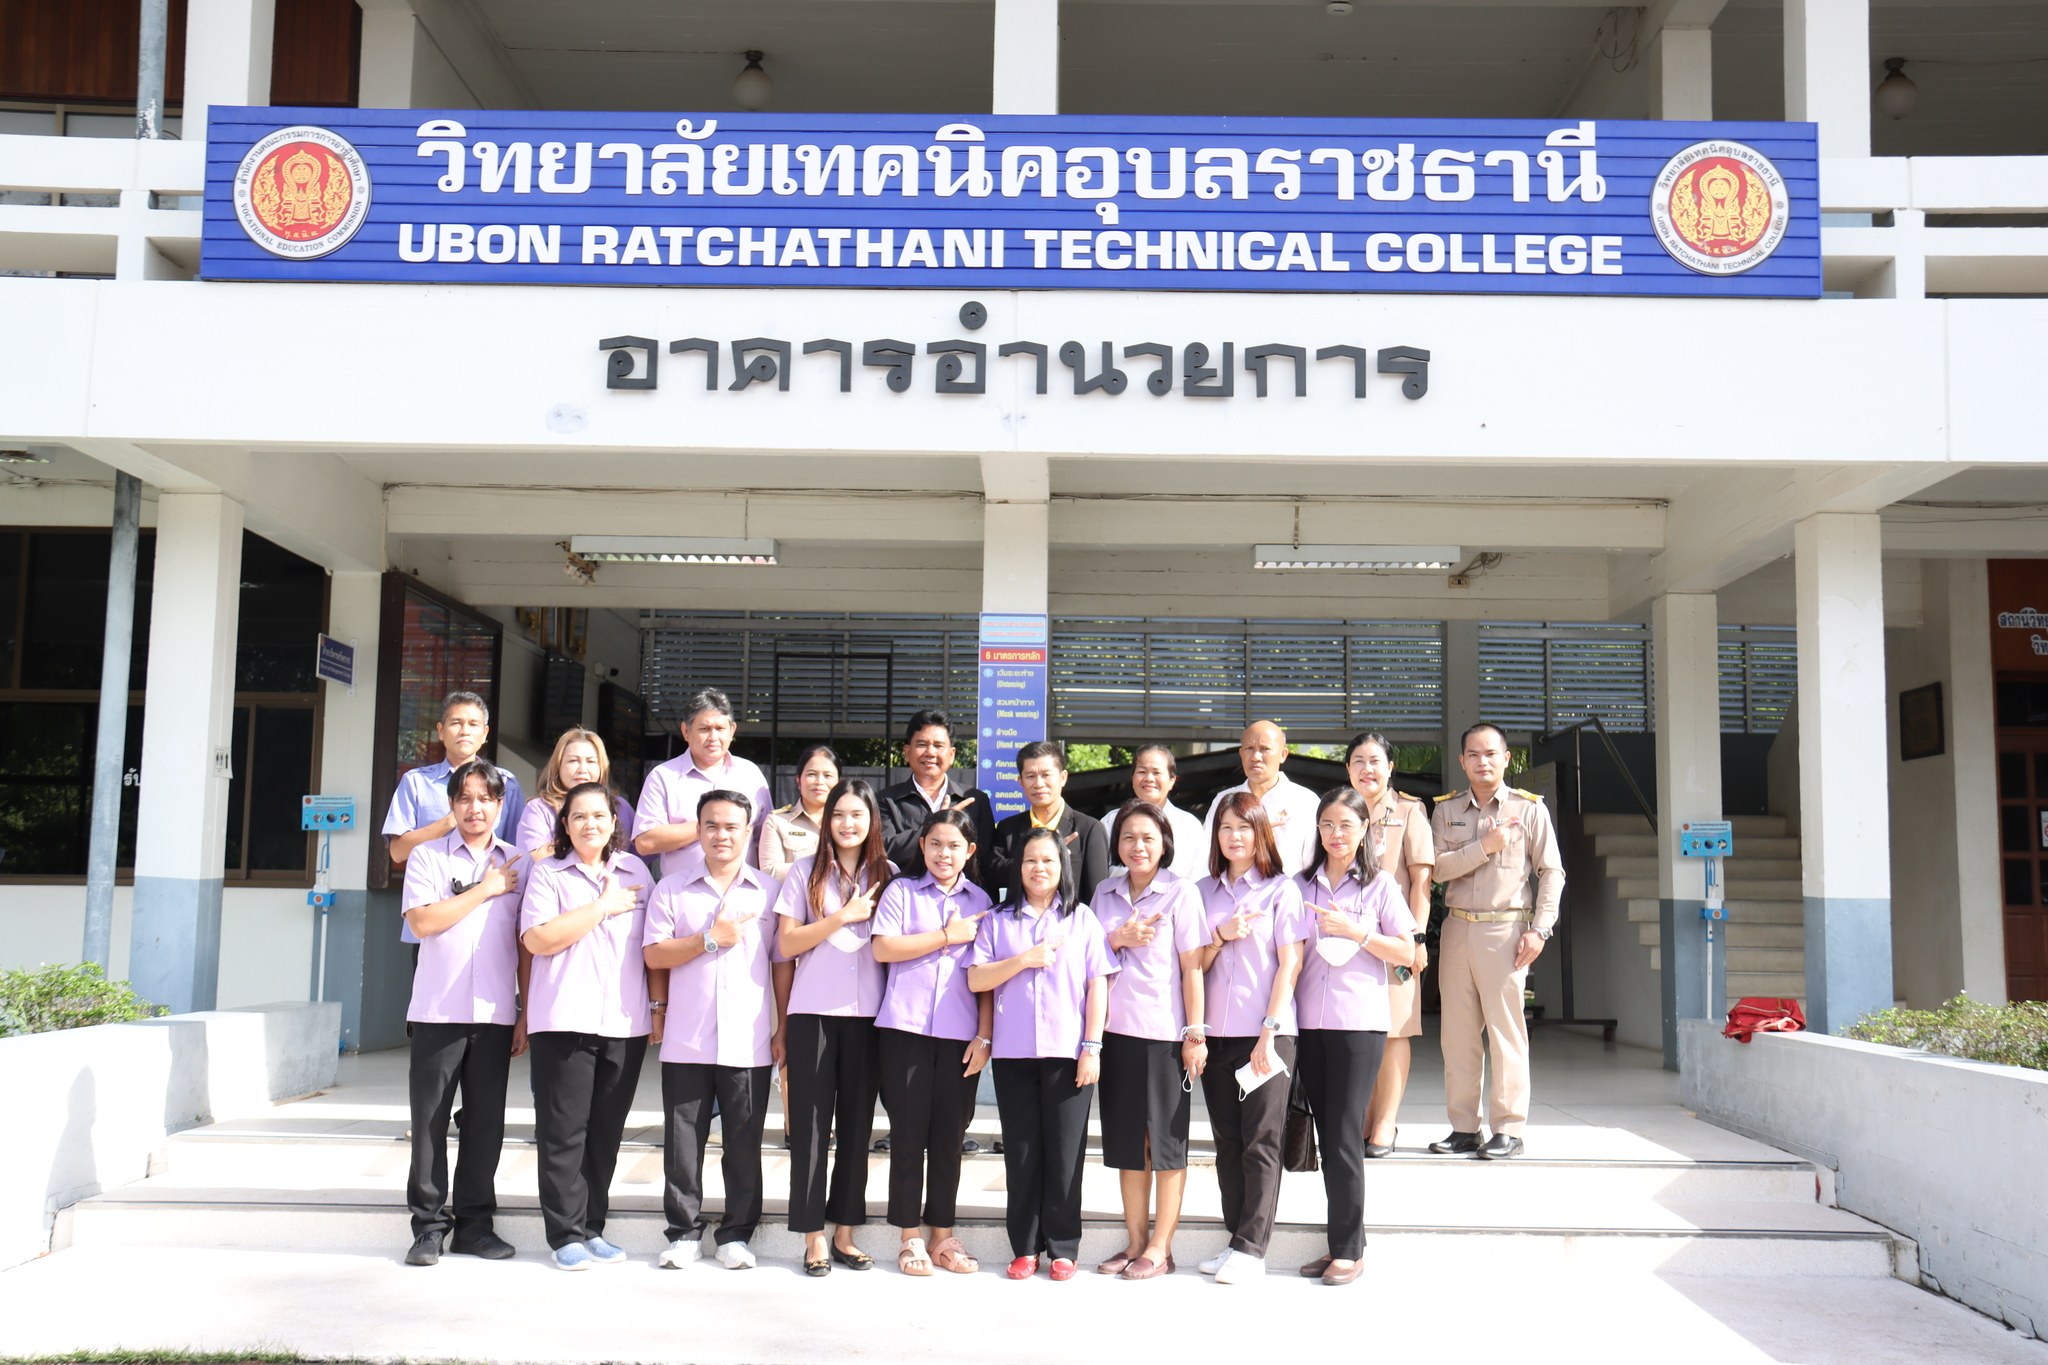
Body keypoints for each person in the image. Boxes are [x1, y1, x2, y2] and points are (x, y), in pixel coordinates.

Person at [968, 827, 1116, 1282]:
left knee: (1065, 1152)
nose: (1039, 868)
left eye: (1048, 860)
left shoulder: (1081, 918)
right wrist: (1023, 960)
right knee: (1022, 1152)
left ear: (1062, 866)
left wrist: (1092, 1047)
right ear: (1018, 867)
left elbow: (1098, 984)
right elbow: (977, 980)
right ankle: (1025, 1247)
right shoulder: (998, 920)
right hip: (1013, 1054)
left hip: (1068, 1053)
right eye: (1030, 860)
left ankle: (1063, 1246)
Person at [519, 782, 655, 1271]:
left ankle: (593, 1226)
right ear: (565, 824)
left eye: (599, 816)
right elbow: (538, 939)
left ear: (614, 822)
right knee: (563, 1131)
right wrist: (601, 907)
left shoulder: (636, 872)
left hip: (624, 1019)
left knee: (605, 1131)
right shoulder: (548, 873)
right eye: (579, 816)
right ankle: (565, 1234)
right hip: (564, 1019)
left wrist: (658, 1009)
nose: (589, 824)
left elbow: (651, 944)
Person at [642, 789, 780, 1271]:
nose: (721, 835)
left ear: (749, 832)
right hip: (689, 1038)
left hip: (748, 1038)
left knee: (743, 1143)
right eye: (712, 825)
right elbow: (654, 954)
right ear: (698, 830)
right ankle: (683, 1233)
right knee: (683, 1144)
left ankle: (736, 1234)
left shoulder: (768, 891)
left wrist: (782, 1028)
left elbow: (782, 963)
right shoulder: (671, 889)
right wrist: (708, 939)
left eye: (731, 826)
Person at [398, 759, 526, 1268]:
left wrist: (524, 1011)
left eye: (486, 799)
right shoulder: (427, 857)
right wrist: (484, 890)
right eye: (465, 798)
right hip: (438, 1011)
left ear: (500, 805)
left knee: (485, 1124)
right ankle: (428, 1228)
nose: (476, 808)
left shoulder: (518, 862)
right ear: (452, 805)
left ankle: (475, 1227)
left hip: (495, 1012)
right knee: (430, 1121)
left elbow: (526, 942)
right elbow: (423, 922)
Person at [1294, 787, 1417, 1286]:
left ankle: (1349, 1250)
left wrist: (1357, 932)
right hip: (1308, 1023)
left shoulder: (1381, 886)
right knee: (1327, 1135)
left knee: (1345, 1133)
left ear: (1365, 829)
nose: (1336, 834)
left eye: (1346, 825)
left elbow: (1407, 953)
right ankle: (1343, 1242)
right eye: (1327, 824)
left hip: (1358, 1024)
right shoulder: (1300, 885)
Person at [1428, 723, 1565, 1161]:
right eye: (1473, 754)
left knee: (1506, 1033)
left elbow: (1552, 872)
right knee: (1457, 1035)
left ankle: (1508, 1129)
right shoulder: (1446, 811)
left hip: (1506, 931)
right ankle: (1464, 1128)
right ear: (1462, 761)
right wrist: (1485, 846)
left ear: (1506, 759)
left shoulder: (1528, 809)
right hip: (1457, 929)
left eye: (1490, 754)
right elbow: (1436, 869)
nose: (1482, 761)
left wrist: (1540, 929)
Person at [773, 778, 894, 1276]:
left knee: (857, 1128)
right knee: (809, 1127)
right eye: (839, 814)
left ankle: (845, 1232)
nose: (847, 823)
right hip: (814, 1015)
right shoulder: (804, 872)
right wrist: (842, 917)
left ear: (872, 821)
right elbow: (786, 945)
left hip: (869, 1018)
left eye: (857, 814)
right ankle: (813, 1236)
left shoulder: (890, 875)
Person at [869, 808, 993, 1277]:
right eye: (935, 844)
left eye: (954, 845)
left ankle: (943, 1235)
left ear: (970, 851)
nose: (944, 853)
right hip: (905, 1030)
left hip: (961, 1036)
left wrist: (984, 1035)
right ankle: (909, 1237)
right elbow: (883, 947)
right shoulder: (901, 892)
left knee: (949, 1138)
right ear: (922, 846)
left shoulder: (981, 900)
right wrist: (945, 936)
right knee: (907, 1136)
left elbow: (985, 976)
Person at [1192, 792, 1310, 1284]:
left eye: (1244, 827)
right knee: (1227, 1142)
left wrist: (1269, 1031)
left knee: (1261, 1141)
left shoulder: (1282, 890)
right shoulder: (1201, 892)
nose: (1234, 836)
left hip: (1266, 1036)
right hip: (1215, 1036)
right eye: (1225, 828)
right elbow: (1192, 965)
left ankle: (1252, 1249)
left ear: (1261, 833)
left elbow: (1291, 964)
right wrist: (1221, 934)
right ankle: (1234, 1240)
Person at [1091, 799, 1208, 1280]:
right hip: (1114, 1034)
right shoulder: (1104, 892)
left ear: (1164, 844)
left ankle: (1161, 1247)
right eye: (1128, 838)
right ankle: (1136, 1241)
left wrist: (1195, 1033)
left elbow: (1193, 968)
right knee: (1128, 1145)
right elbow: (1088, 959)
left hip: (1164, 1036)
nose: (1137, 846)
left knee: (1165, 1144)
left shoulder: (1182, 893)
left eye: (1147, 838)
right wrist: (1117, 938)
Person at [1346, 732, 1436, 1158]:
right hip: (1348, 942)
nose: (1367, 769)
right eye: (1358, 761)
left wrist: (1415, 938)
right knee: (1358, 1031)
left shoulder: (1409, 811)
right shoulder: (1340, 810)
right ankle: (1364, 1116)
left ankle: (1385, 1121)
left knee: (1396, 1031)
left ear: (1390, 767)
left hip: (1394, 940)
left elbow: (1422, 882)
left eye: (1375, 761)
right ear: (1348, 768)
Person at [384, 690, 525, 945]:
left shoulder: (506, 784)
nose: (464, 731)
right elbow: (398, 852)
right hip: (432, 918)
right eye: (456, 723)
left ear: (485, 733)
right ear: (440, 731)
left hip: (490, 919)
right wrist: (450, 820)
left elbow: (518, 853)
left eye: (473, 724)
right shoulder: (416, 783)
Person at [633, 687, 773, 880]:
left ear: (732, 731)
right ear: (686, 731)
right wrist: (708, 826)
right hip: (681, 894)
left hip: (743, 892)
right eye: (704, 729)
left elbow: (768, 839)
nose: (713, 737)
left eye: (720, 729)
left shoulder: (750, 775)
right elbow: (645, 842)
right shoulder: (663, 776)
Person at [876, 709, 997, 884]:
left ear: (952, 754)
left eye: (938, 745)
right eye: (922, 744)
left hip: (961, 897)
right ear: (907, 752)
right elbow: (884, 852)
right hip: (904, 896)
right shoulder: (885, 800)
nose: (930, 752)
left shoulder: (973, 800)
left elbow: (984, 862)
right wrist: (936, 822)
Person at [985, 740, 1111, 907]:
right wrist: (1038, 858)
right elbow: (992, 875)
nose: (1038, 784)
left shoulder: (1089, 829)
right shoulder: (1007, 829)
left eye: (1046, 775)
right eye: (1030, 776)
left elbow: (1098, 895)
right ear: (1020, 781)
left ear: (1063, 777)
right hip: (1019, 920)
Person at [1201, 720, 1322, 875]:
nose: (1255, 757)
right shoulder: (1224, 800)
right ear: (1241, 753)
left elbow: (1315, 864)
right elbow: (1207, 855)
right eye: (1249, 749)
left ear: (1283, 755)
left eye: (1264, 749)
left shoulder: (1305, 801)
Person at [517, 727, 636, 856]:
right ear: (558, 765)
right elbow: (537, 857)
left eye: (591, 761)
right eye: (573, 761)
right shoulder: (539, 808)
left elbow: (638, 854)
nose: (582, 769)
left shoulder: (621, 807)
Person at [759, 745, 840, 881]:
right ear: (798, 780)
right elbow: (769, 872)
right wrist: (822, 868)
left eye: (828, 775)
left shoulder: (848, 823)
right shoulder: (777, 822)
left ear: (838, 782)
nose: (819, 782)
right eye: (811, 774)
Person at [1129, 744, 1208, 878]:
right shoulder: (1111, 821)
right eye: (1142, 772)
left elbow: (1199, 878)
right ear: (1132, 778)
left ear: (1172, 780)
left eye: (1156, 772)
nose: (1149, 778)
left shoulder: (1190, 826)